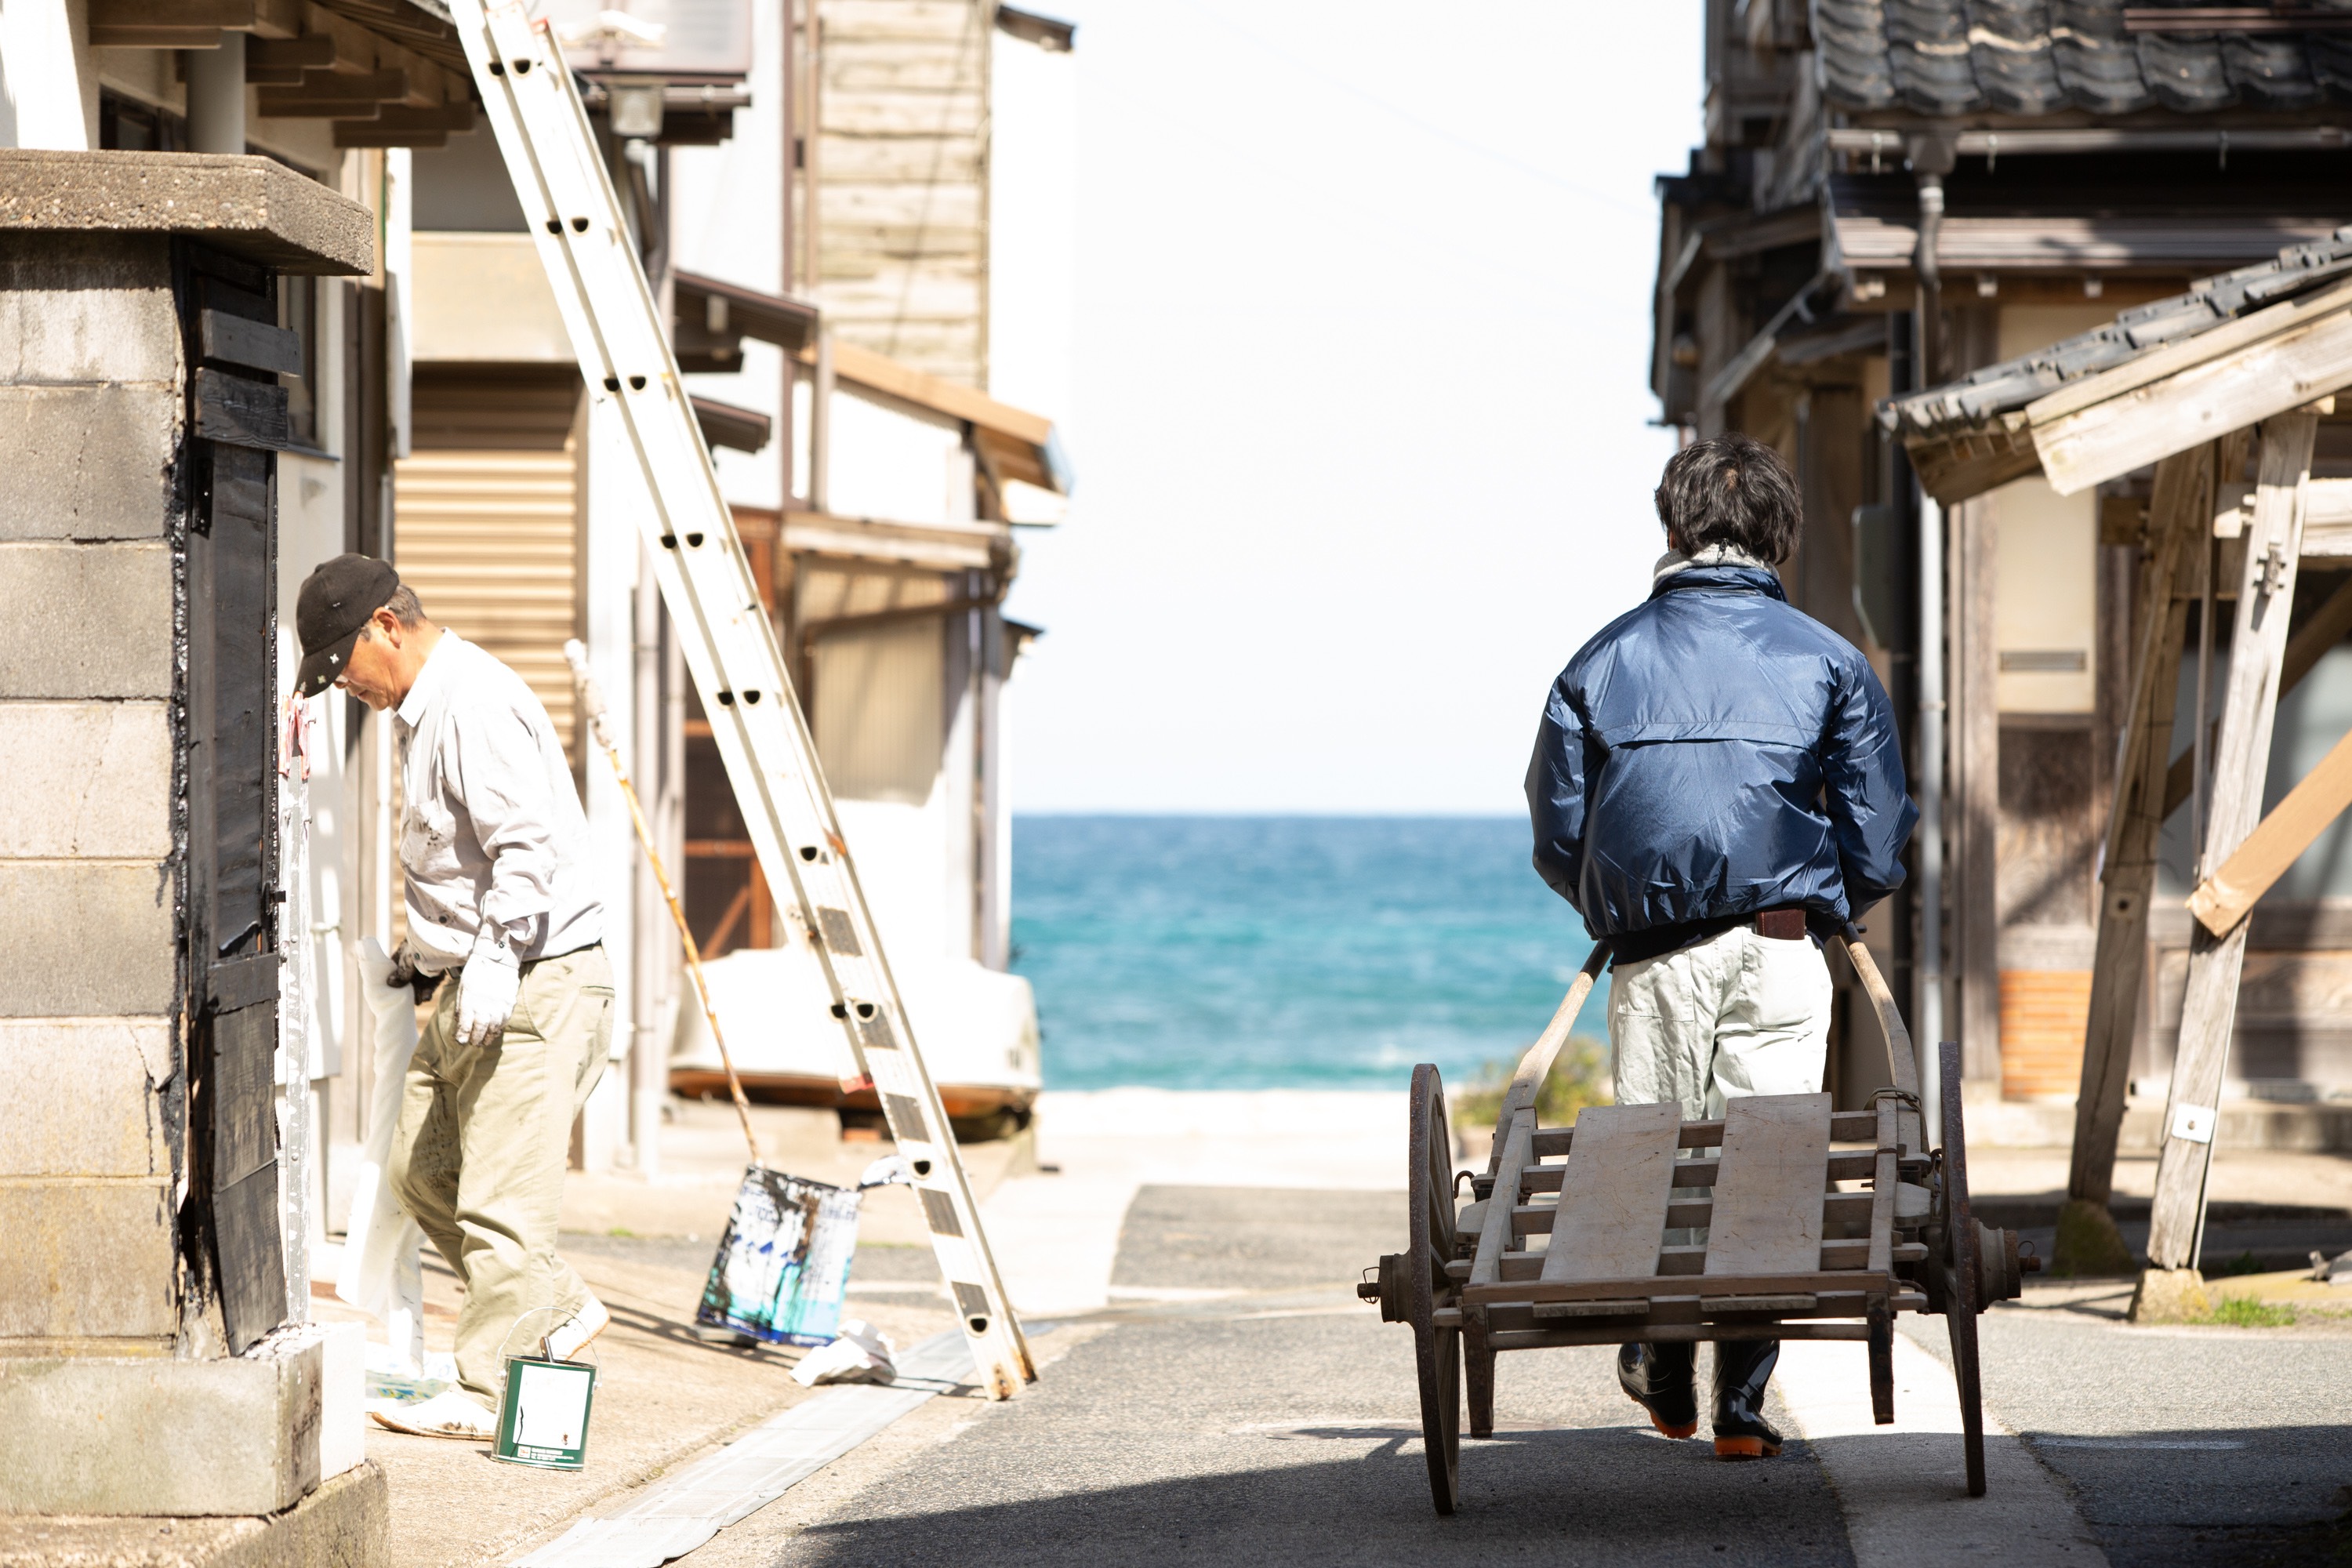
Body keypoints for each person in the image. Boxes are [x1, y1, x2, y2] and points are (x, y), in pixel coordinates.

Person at [1523, 434, 1915, 1461]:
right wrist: (1828, 905)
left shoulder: (1598, 661)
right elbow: (1878, 834)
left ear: (1673, 527)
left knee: (1659, 1155)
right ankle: (1740, 1410)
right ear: (1780, 534)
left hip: (1652, 955)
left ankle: (1664, 1368)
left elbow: (1558, 831)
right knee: (1767, 1161)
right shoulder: (1831, 659)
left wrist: (1616, 907)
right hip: (1781, 946)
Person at [295, 554, 614, 1440]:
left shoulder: (473, 701)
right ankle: (556, 1304)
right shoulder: (421, 709)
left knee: (501, 1208)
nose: (345, 685)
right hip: (480, 979)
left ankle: (488, 1394)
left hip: (536, 979)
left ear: (386, 626)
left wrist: (499, 956)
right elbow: (458, 857)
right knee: (421, 1171)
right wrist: (418, 958)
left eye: (344, 665)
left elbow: (524, 846)